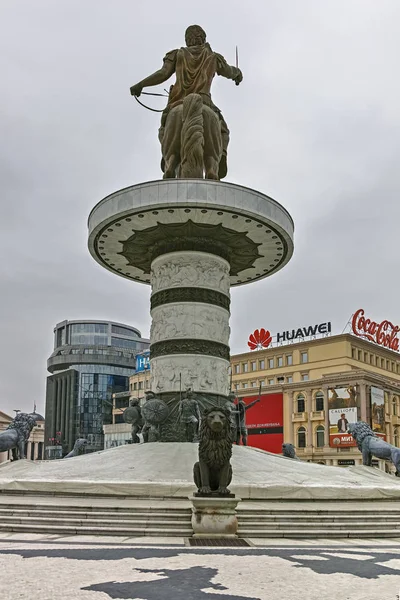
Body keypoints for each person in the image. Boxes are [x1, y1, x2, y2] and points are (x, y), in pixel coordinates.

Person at [130, 24, 242, 179]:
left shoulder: (177, 54)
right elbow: (230, 71)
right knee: (223, 132)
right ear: (203, 38)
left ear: (187, 40)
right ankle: (211, 167)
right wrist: (238, 74)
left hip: (177, 103)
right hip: (205, 103)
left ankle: (170, 162)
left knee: (164, 130)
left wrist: (141, 84)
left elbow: (163, 73)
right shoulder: (213, 57)